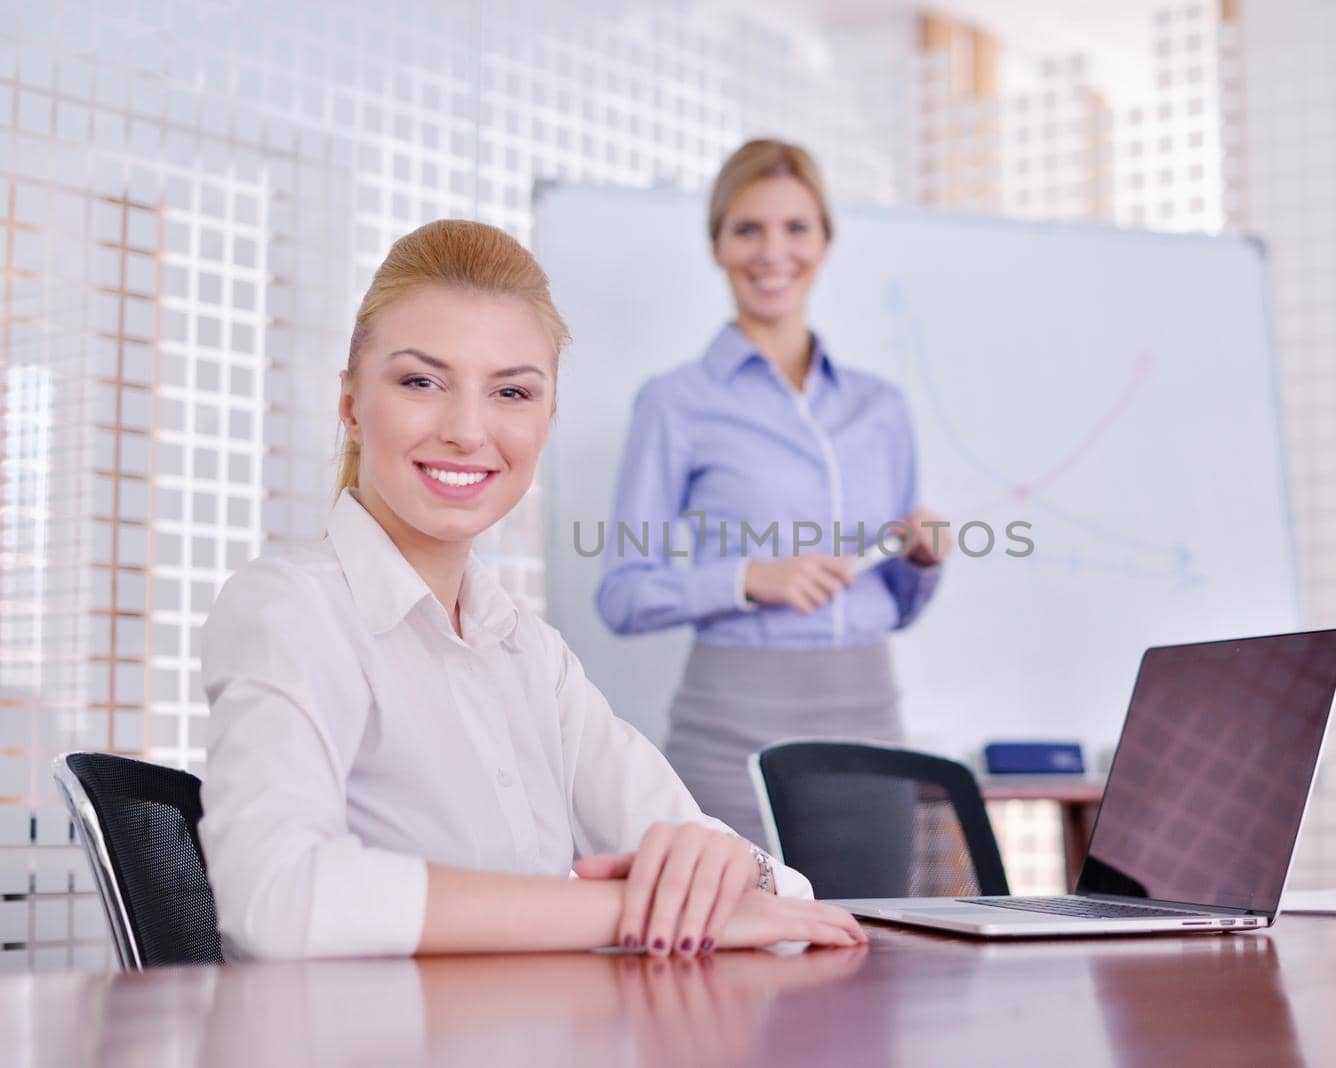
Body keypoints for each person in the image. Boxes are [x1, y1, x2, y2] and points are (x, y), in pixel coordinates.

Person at [199, 219, 864, 961]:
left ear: (547, 420)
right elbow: (279, 900)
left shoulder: (529, 655)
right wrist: (623, 910)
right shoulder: (290, 609)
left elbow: (768, 895)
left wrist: (731, 874)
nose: (466, 429)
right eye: (422, 381)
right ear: (352, 404)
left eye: (511, 391)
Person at [596, 140, 948, 846]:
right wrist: (749, 579)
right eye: (748, 229)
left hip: (872, 733)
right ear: (717, 245)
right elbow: (622, 595)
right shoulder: (675, 402)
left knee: (881, 946)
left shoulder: (881, 409)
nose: (773, 252)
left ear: (825, 242)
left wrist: (922, 561)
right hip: (733, 738)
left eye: (796, 228)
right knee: (733, 948)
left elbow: (899, 608)